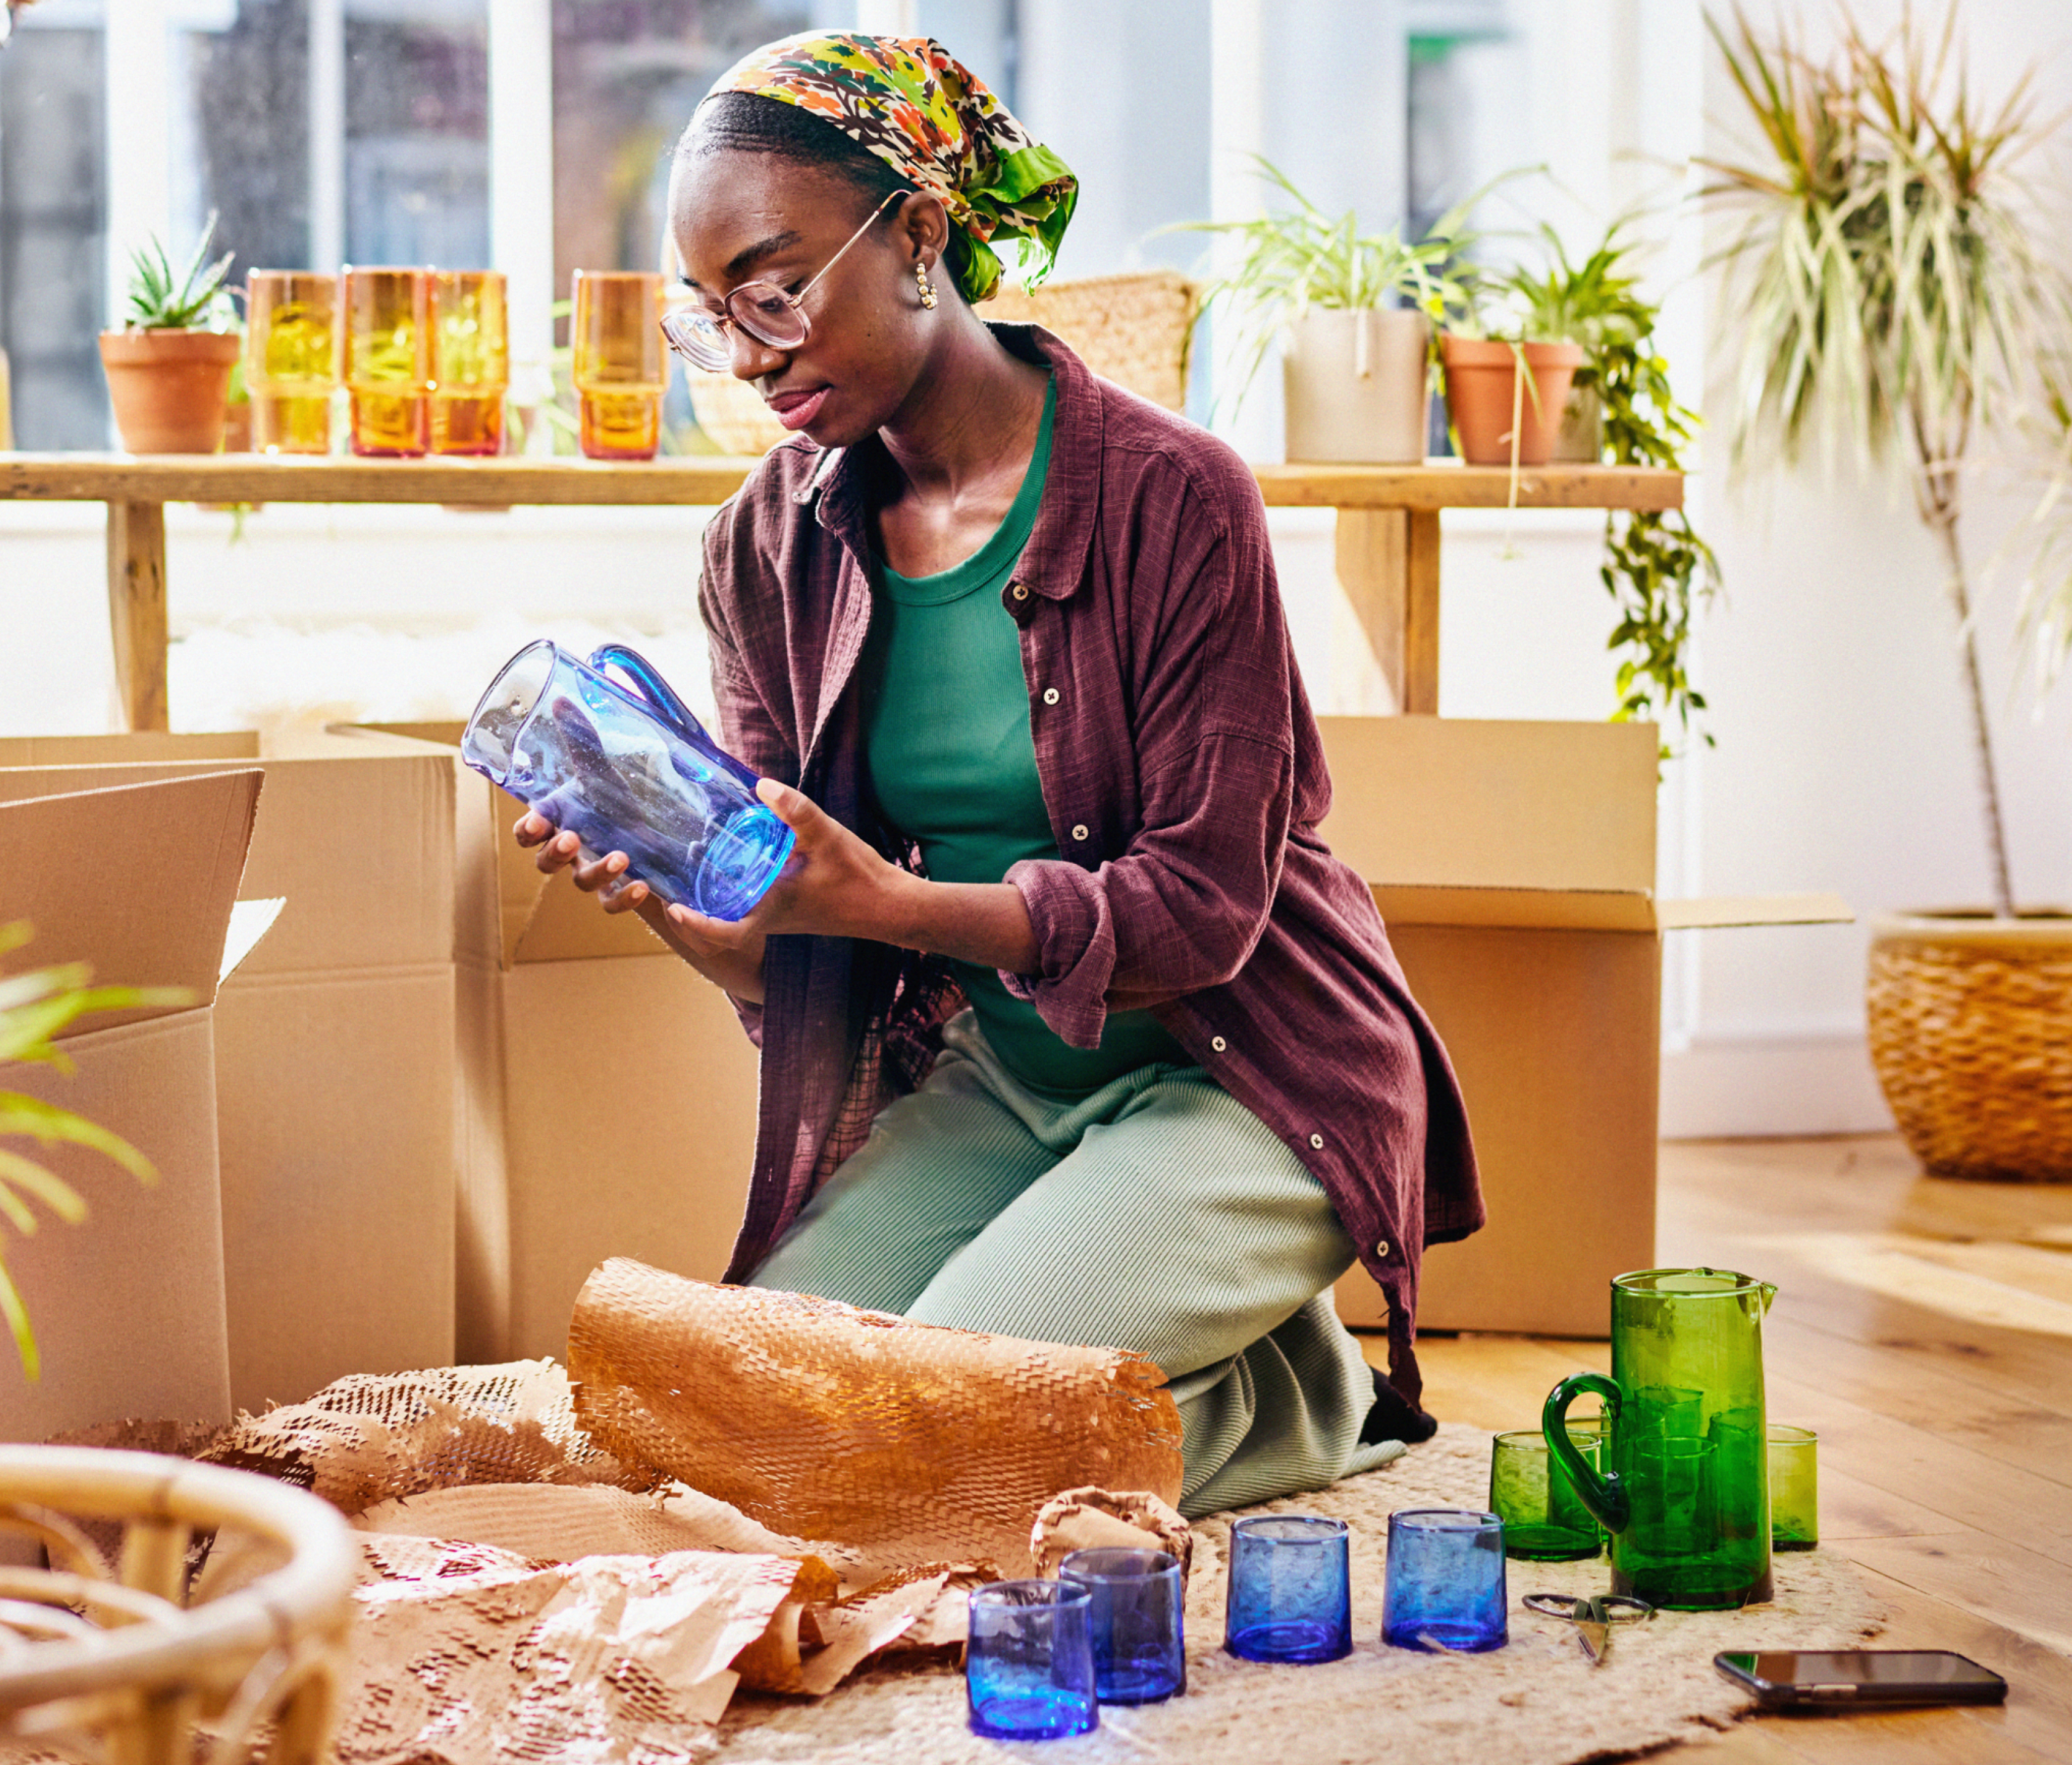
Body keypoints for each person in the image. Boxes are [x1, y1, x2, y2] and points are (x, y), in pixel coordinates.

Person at [514, 29, 1477, 1514]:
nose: (754, 352)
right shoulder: (763, 548)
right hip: (1005, 1083)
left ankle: (1295, 1395)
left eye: (775, 289)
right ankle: (1192, 1349)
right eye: (712, 318)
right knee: (749, 1418)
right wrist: (670, 894)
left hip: (1251, 1078)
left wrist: (895, 902)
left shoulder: (1174, 494)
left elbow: (1206, 909)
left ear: (916, 233)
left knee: (927, 1429)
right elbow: (788, 953)